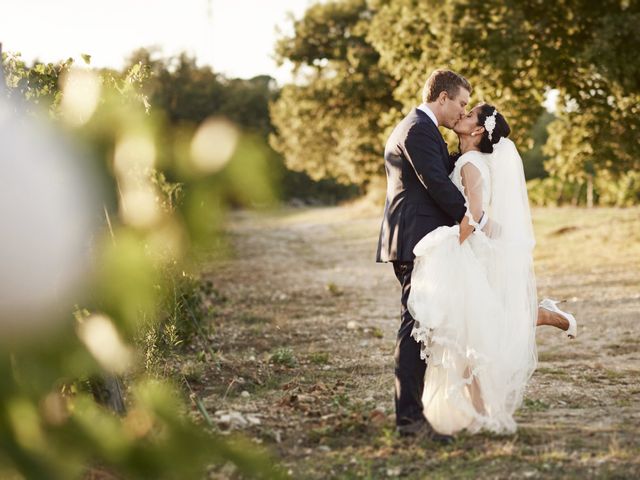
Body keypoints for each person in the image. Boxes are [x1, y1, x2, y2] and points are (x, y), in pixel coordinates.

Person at [407, 103, 577, 436]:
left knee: (475, 335)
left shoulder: (471, 162)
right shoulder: (469, 159)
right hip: (476, 249)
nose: (463, 116)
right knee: (474, 333)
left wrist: (451, 246)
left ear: (478, 130)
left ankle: (483, 413)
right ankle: (478, 412)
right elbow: (484, 217)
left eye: (469, 116)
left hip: (469, 254)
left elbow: (473, 213)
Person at [376, 69, 476, 443]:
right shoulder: (418, 128)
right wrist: (469, 219)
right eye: (461, 103)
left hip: (418, 239)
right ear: (443, 98)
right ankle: (410, 423)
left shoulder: (422, 128)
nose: (462, 111)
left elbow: (439, 173)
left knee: (422, 327)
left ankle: (414, 416)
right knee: (415, 329)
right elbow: (434, 183)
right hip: (415, 241)